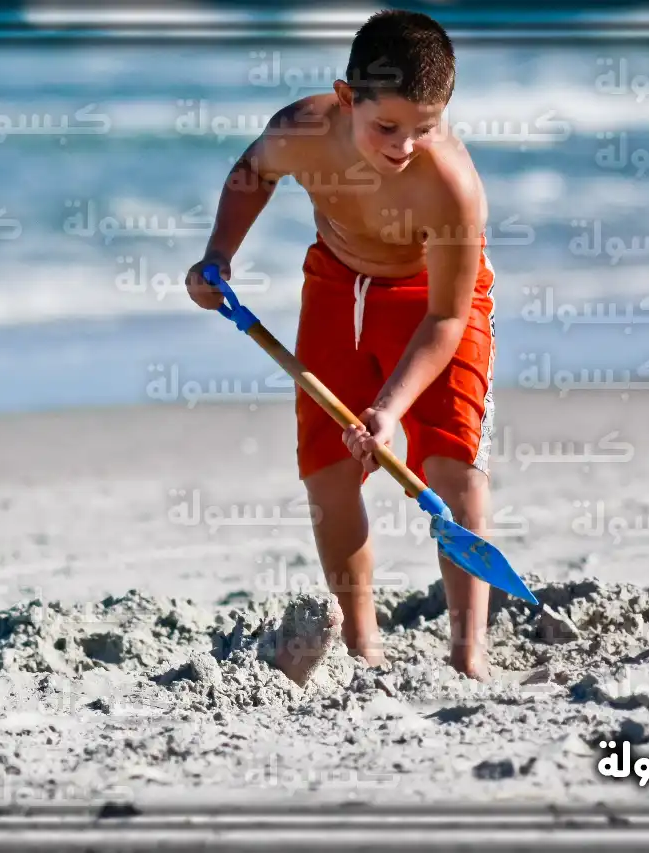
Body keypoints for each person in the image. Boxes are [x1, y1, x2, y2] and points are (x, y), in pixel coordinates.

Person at [185, 10, 497, 684]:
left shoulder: (451, 187)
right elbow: (252, 173)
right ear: (346, 96)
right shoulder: (303, 131)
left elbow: (447, 317)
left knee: (452, 466)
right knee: (327, 469)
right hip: (336, 285)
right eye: (387, 126)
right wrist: (217, 256)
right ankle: (363, 644)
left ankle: (469, 652)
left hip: (433, 299)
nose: (404, 145)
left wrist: (387, 408)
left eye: (425, 127)